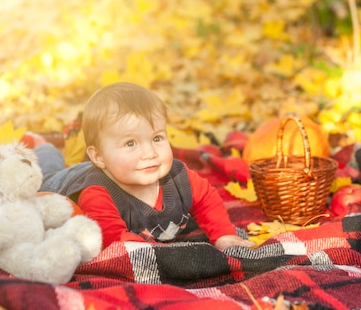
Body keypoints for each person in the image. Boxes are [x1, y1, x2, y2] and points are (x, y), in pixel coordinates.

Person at [37, 82, 255, 250]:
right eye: (130, 143)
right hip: (62, 183)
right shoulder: (98, 195)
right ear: (99, 156)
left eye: (157, 138)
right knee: (43, 172)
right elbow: (118, 243)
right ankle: (43, 147)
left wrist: (224, 235)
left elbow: (206, 198)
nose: (150, 153)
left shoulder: (178, 176)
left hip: (102, 166)